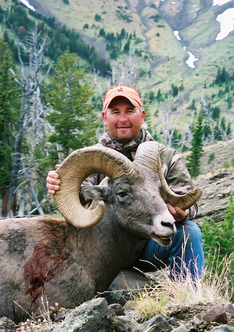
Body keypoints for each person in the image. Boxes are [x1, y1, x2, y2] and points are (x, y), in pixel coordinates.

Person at [47, 85, 204, 280]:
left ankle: (187, 296)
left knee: (190, 233)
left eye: (130, 111)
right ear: (105, 118)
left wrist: (184, 210)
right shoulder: (94, 158)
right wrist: (60, 184)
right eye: (115, 112)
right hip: (103, 248)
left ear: (142, 115)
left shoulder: (165, 157)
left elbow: (189, 202)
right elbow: (80, 193)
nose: (123, 119)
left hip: (148, 243)